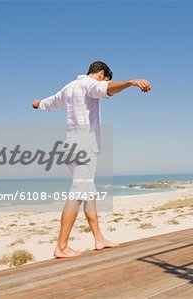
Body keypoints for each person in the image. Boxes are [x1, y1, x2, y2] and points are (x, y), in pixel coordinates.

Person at [32, 61, 151, 258]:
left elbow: (49, 103)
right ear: (101, 74)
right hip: (84, 147)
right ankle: (60, 247)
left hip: (70, 146)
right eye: (105, 79)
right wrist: (130, 83)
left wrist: (37, 104)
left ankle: (98, 238)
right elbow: (105, 89)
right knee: (78, 193)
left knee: (89, 193)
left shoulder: (69, 87)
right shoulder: (89, 84)